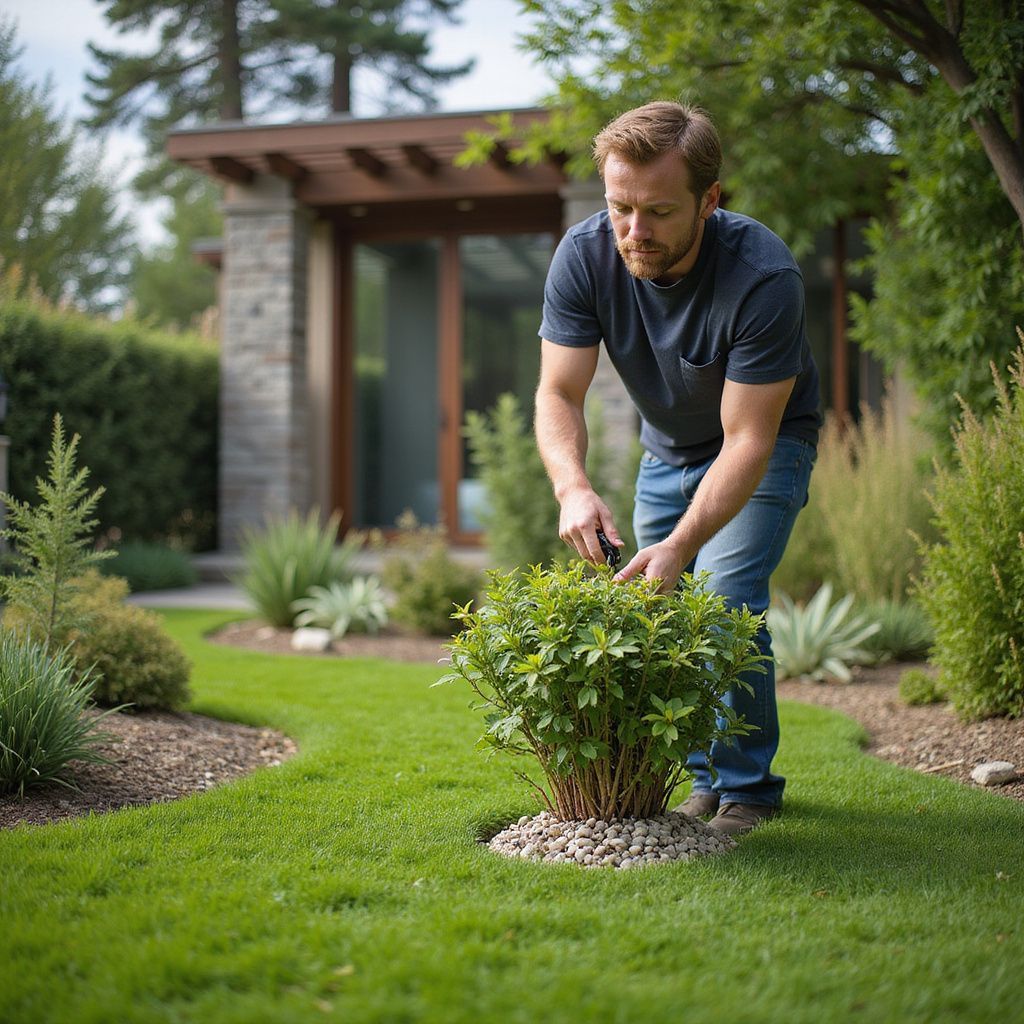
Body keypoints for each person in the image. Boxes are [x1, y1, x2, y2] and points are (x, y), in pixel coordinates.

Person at [535, 101, 822, 836]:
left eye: (659, 211)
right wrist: (572, 488)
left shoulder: (763, 277)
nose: (635, 232)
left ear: (710, 199)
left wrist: (684, 542)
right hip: (665, 450)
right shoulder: (585, 254)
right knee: (657, 609)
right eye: (620, 207)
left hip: (766, 443)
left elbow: (749, 439)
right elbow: (558, 391)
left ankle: (749, 790)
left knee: (723, 598)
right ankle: (702, 782)